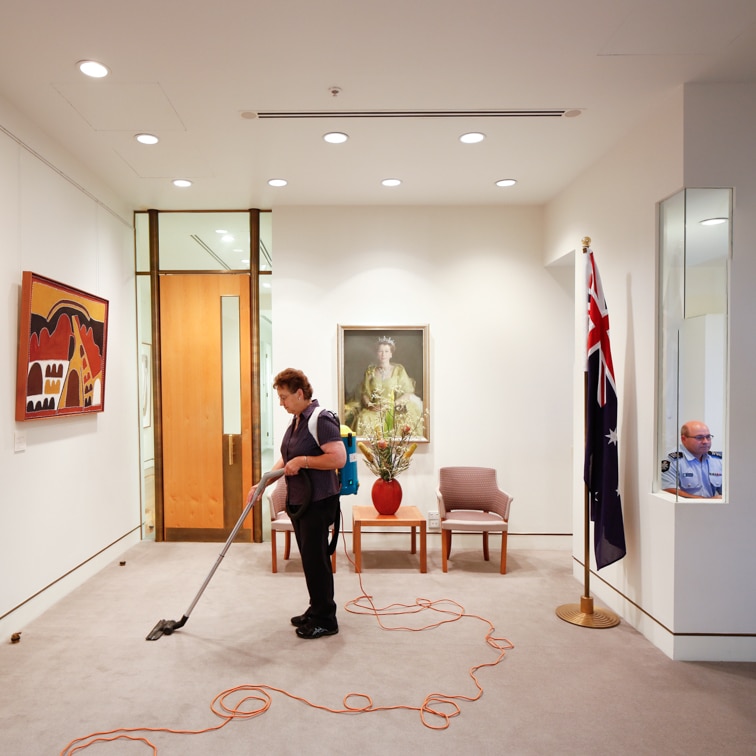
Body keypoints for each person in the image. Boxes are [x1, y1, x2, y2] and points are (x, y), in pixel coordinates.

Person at [254, 368, 345, 639]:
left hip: (318, 501)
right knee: (309, 559)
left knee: (317, 560)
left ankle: (326, 620)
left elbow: (337, 458)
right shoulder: (296, 420)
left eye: (284, 397)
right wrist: (263, 483)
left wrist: (304, 462)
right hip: (300, 503)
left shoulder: (322, 420)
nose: (281, 403)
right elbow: (287, 457)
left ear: (300, 393)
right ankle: (316, 608)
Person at [346, 336, 424, 436]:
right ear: (376, 353)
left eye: (386, 351)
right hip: (375, 409)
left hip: (395, 408)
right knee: (364, 419)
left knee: (402, 423)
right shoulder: (370, 371)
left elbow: (407, 393)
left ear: (391, 354)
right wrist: (370, 404)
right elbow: (365, 393)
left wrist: (392, 405)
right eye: (380, 351)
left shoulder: (398, 370)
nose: (383, 354)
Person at [661, 420, 723, 499]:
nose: (705, 441)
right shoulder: (672, 461)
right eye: (699, 438)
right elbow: (668, 490)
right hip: (683, 509)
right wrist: (705, 501)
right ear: (684, 439)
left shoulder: (717, 461)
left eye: (708, 437)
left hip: (714, 510)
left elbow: (728, 491)